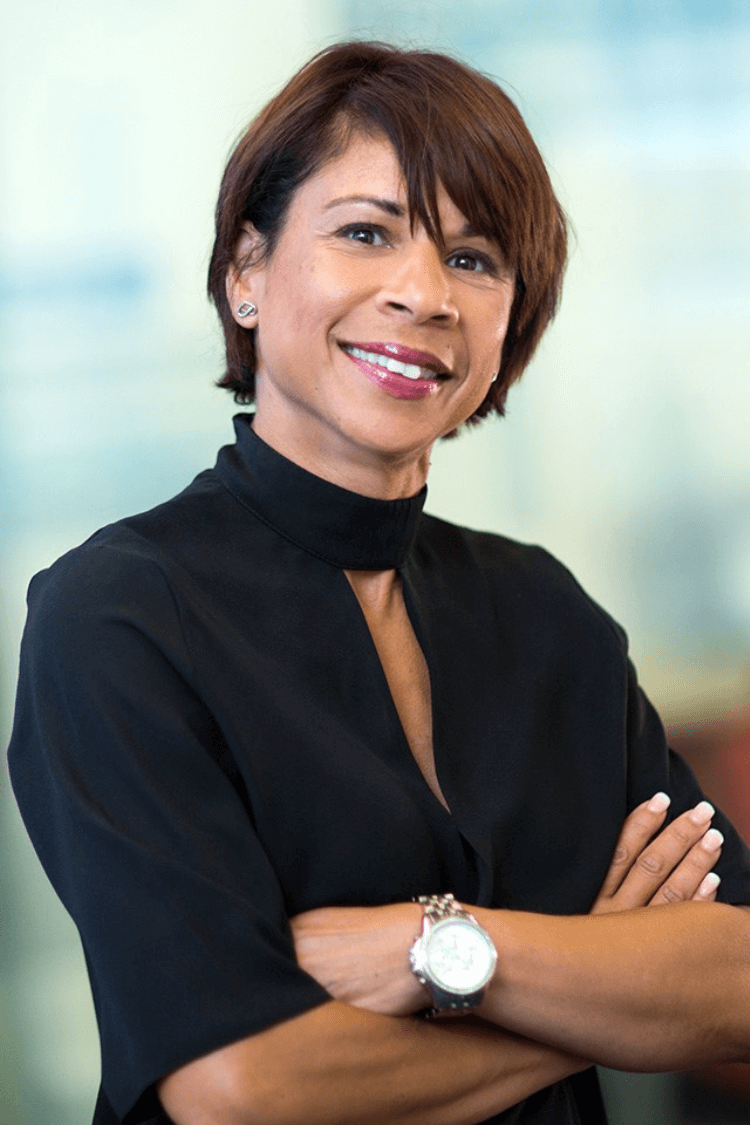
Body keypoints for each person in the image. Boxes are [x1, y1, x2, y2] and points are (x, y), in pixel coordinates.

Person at [8, 41, 750, 1125]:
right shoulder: (118, 616)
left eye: (475, 257)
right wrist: (598, 983)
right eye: (366, 232)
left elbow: (735, 986)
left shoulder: (546, 614)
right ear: (247, 271)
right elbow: (240, 1087)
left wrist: (433, 943)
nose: (423, 293)